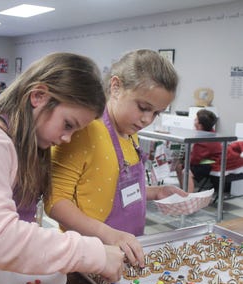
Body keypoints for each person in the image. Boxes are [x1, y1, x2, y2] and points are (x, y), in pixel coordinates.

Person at [0, 52, 125, 280]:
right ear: (38, 96)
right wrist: (91, 253)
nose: (67, 139)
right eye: (67, 125)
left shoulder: (29, 143)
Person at [44, 49, 188, 267]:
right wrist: (109, 235)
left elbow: (113, 188)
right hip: (90, 255)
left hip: (128, 248)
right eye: (143, 108)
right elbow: (55, 202)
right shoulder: (85, 130)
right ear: (116, 87)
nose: (147, 119)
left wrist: (156, 192)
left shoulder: (130, 133)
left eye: (156, 113)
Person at [176, 109, 221, 193]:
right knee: (179, 166)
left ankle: (188, 196)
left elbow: (195, 160)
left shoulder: (203, 140)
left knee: (186, 171)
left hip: (210, 162)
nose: (194, 120)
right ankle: (183, 190)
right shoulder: (209, 133)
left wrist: (185, 161)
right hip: (205, 160)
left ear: (200, 125)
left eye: (196, 119)